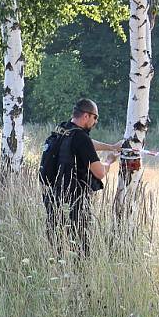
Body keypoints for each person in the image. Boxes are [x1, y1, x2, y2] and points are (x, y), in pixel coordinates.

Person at [39, 98, 121, 254]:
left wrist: (111, 146)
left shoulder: (62, 129)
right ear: (86, 116)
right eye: (95, 117)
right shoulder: (80, 138)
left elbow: (87, 143)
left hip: (52, 195)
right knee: (80, 245)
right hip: (75, 200)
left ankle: (58, 270)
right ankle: (79, 274)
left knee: (56, 244)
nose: (96, 121)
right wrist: (110, 160)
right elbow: (99, 172)